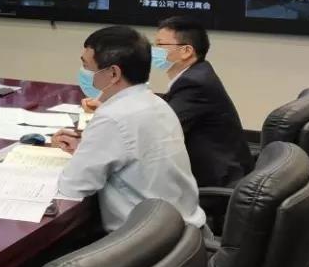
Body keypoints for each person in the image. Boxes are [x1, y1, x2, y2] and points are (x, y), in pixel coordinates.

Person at [53, 26, 206, 233]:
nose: (84, 72)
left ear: (113, 73)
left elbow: (73, 187)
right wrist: (87, 147)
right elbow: (133, 152)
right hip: (183, 233)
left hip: (145, 242)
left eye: (86, 65)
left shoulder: (113, 117)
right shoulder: (156, 103)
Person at [152, 16, 252, 187]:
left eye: (160, 45)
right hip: (221, 170)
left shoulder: (194, 83)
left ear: (186, 51)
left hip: (215, 182)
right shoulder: (198, 72)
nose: (154, 51)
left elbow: (162, 130)